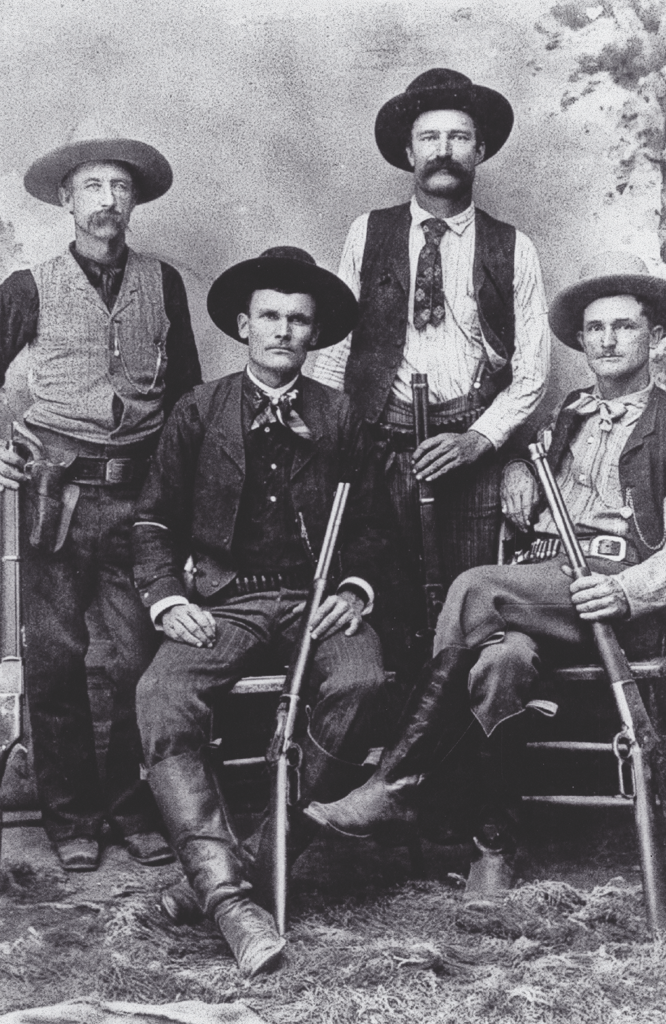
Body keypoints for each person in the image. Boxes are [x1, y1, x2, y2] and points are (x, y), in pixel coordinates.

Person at [305, 251, 666, 892]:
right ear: (581, 342)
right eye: (595, 329)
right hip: (536, 588)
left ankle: (399, 784)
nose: (608, 340)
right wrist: (517, 469)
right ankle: (491, 842)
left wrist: (623, 590)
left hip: (606, 598)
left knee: (473, 586)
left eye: (625, 326)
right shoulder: (569, 417)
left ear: (656, 336)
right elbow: (539, 487)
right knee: (501, 662)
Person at [133, 246, 393, 976]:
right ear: (244, 325)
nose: (283, 330)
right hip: (224, 599)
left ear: (315, 336)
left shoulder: (339, 414)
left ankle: (242, 870)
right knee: (160, 693)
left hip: (316, 600)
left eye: (298, 320)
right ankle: (230, 901)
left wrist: (353, 590)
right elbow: (152, 520)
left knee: (362, 684)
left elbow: (374, 525)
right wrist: (168, 599)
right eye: (270, 317)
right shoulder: (199, 409)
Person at [0, 138, 202, 872]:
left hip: (142, 495)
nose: (107, 200)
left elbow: (185, 389)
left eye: (120, 187)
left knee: (138, 658)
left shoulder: (164, 283)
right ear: (66, 201)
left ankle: (131, 811)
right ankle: (71, 820)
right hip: (52, 494)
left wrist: (181, 486)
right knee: (56, 658)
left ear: (135, 201)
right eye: (92, 186)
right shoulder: (28, 285)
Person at [309, 67, 550, 646]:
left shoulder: (513, 246)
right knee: (380, 601)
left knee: (470, 611)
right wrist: (327, 444)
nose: (444, 151)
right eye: (430, 138)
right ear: (408, 151)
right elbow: (334, 346)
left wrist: (479, 442)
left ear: (480, 150)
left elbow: (533, 371)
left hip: (470, 453)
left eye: (459, 137)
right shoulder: (366, 234)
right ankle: (396, 736)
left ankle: (465, 738)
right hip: (380, 448)